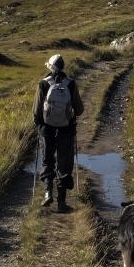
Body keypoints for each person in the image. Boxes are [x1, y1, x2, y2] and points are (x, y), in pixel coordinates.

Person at [32, 54, 84, 212]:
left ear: (50, 67)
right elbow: (79, 110)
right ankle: (61, 202)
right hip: (66, 129)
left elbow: (36, 112)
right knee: (64, 164)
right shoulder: (70, 84)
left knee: (47, 161)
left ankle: (48, 193)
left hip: (46, 129)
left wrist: (39, 126)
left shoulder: (43, 84)